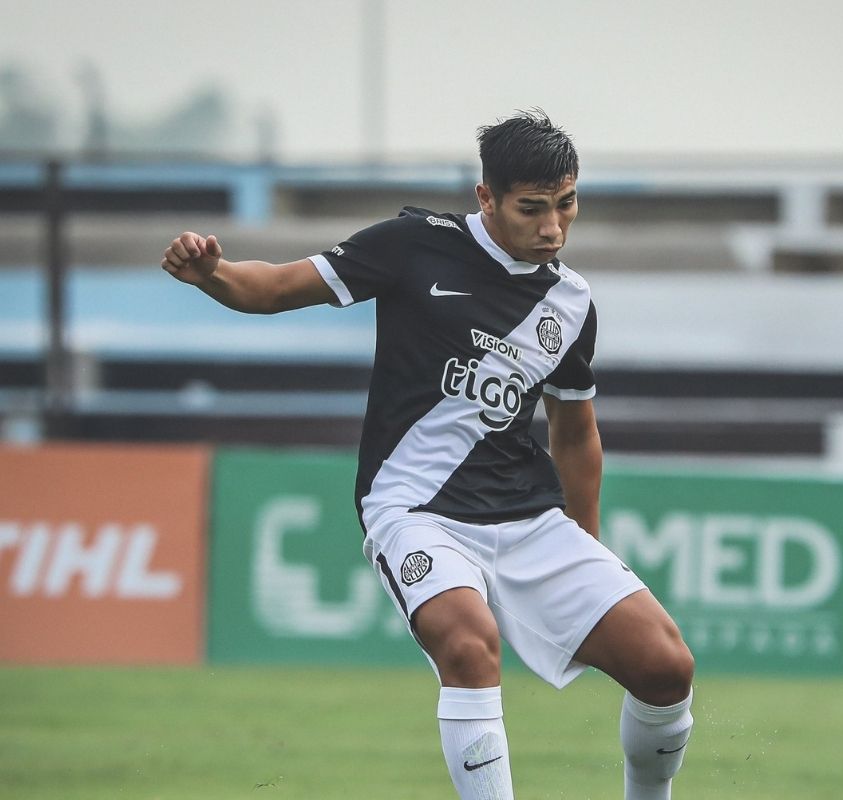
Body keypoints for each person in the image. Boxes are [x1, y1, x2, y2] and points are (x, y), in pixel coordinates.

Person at [161, 110, 694, 800]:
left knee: (666, 666)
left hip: (526, 518)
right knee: (469, 646)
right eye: (532, 208)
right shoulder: (413, 245)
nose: (553, 228)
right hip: (413, 508)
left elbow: (574, 433)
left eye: (566, 205)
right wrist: (213, 273)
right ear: (486, 198)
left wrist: (587, 552)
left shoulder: (571, 302)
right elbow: (274, 289)